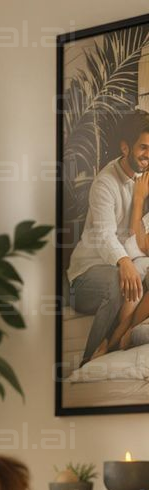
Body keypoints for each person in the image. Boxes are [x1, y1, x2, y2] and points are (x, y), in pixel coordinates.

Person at [67, 111, 149, 363]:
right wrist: (124, 262)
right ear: (125, 147)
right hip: (86, 277)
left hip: (127, 269)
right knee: (118, 282)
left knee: (137, 273)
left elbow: (140, 241)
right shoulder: (105, 183)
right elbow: (104, 236)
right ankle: (90, 361)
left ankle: (118, 340)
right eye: (143, 147)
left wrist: (138, 199)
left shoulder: (144, 182)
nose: (148, 155)